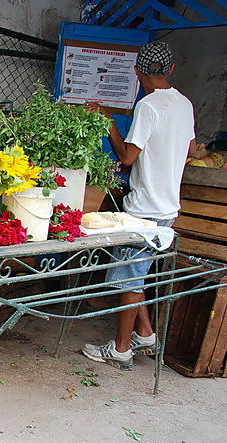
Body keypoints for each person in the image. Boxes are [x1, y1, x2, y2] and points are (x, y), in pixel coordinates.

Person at [82, 41, 196, 370]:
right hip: (167, 209)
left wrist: (108, 122)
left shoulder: (148, 105)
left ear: (136, 72)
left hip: (143, 208)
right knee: (136, 272)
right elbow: (189, 150)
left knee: (129, 281)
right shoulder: (184, 104)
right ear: (171, 70)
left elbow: (127, 156)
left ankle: (120, 349)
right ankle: (144, 334)